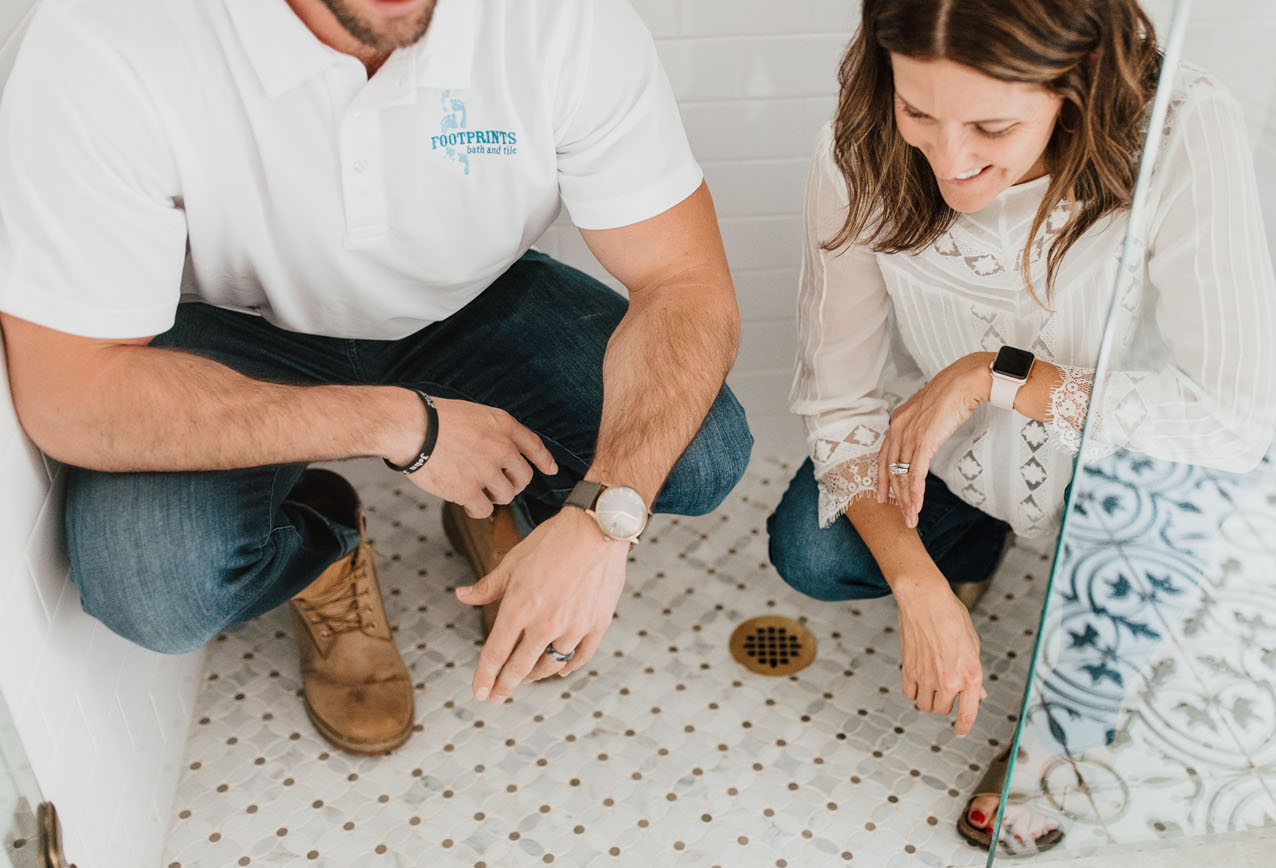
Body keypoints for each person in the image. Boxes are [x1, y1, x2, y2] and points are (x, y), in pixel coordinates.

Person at [0, 0, 752, 756]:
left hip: (471, 302)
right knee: (155, 587)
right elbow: (70, 392)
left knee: (698, 452)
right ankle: (325, 549)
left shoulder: (563, 18)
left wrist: (600, 515)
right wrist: (405, 426)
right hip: (229, 328)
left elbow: (685, 287)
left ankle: (503, 494)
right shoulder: (103, 35)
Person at [767, 0, 1276, 852]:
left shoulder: (1185, 126)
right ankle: (974, 555)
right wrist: (918, 584)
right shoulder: (860, 142)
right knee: (813, 550)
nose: (951, 160)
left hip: (1120, 467)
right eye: (919, 112)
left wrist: (994, 375)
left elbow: (1231, 418)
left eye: (992, 126)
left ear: (1074, 87)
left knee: (1126, 563)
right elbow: (840, 401)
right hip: (965, 460)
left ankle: (1064, 725)